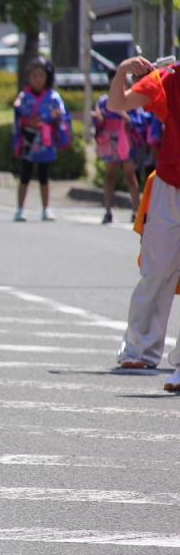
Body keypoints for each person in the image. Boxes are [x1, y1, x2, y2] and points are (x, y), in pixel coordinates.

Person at [108, 56, 180, 387]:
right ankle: (139, 349)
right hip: (169, 186)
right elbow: (118, 103)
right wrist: (124, 71)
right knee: (156, 271)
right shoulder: (169, 78)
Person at [12, 56, 67, 222]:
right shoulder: (24, 97)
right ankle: (20, 209)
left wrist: (56, 119)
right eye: (34, 75)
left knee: (44, 175)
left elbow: (62, 117)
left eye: (41, 75)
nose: (38, 79)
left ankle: (46, 208)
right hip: (29, 140)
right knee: (25, 174)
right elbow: (17, 116)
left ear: (47, 77)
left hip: (46, 140)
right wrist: (28, 122)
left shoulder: (53, 97)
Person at [93, 92, 140, 224]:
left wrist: (126, 118)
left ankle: (137, 211)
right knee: (110, 176)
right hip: (110, 142)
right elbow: (97, 122)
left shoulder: (133, 98)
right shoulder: (103, 101)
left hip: (126, 141)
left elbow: (138, 121)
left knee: (130, 176)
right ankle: (108, 211)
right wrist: (99, 119)